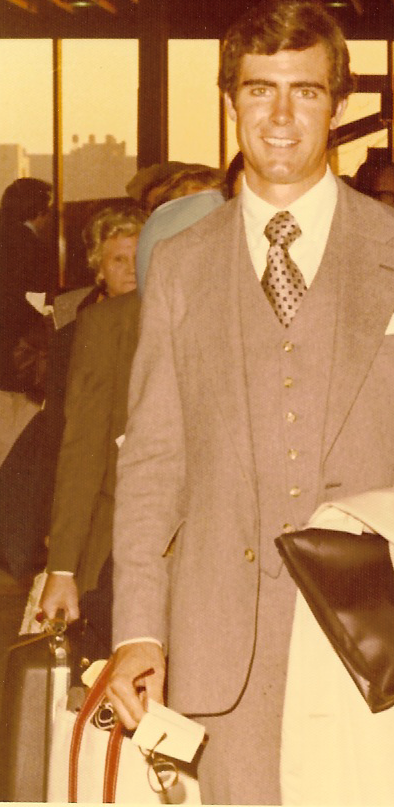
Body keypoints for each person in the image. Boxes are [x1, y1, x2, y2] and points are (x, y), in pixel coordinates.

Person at [104, 0, 394, 805]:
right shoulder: (181, 267)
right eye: (260, 89)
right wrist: (140, 631)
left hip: (391, 633)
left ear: (337, 105)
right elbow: (153, 462)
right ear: (231, 101)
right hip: (225, 658)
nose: (281, 115)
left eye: (305, 90)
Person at [40, 173, 223, 655]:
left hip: (218, 551)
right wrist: (63, 567)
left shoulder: (248, 323)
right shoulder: (106, 326)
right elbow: (80, 454)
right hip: (125, 545)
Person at [0, 203, 144, 586]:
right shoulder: (74, 331)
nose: (131, 269)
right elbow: (62, 434)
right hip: (93, 495)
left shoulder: (162, 320)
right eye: (118, 260)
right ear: (99, 268)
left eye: (138, 256)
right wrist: (55, 522)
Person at [0, 177, 56, 394]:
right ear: (39, 211)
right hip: (16, 337)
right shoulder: (31, 245)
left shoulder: (6, 236)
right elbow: (33, 299)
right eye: (48, 210)